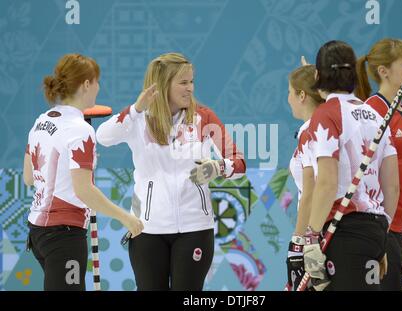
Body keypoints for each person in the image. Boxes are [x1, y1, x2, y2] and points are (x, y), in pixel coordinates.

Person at [96, 52, 246, 291]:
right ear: (163, 85)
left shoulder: (203, 117)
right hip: (147, 230)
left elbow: (238, 163)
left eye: (192, 81)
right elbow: (102, 137)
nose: (190, 89)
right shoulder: (138, 120)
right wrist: (135, 110)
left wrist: (217, 167)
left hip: (195, 229)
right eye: (183, 83)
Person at [23, 54, 144, 291]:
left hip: (37, 232)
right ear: (87, 84)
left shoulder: (41, 120)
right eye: (97, 81)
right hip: (63, 235)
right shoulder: (81, 131)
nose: (99, 87)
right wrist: (126, 218)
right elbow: (84, 191)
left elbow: (28, 177)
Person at [299, 40, 400, 290]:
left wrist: (310, 239)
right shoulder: (376, 115)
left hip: (343, 230)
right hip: (375, 230)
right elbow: (393, 186)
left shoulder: (326, 113)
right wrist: (381, 237)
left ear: (317, 75)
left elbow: (327, 182)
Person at [355, 38, 402, 290]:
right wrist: (383, 231)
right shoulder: (373, 111)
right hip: (380, 226)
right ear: (384, 71)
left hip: (397, 225)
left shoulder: (400, 109)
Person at [285, 61, 324, 291]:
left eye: (290, 93)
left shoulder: (311, 132)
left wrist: (298, 242)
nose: (288, 99)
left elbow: (311, 192)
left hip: (316, 236)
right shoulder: (324, 126)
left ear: (302, 95)